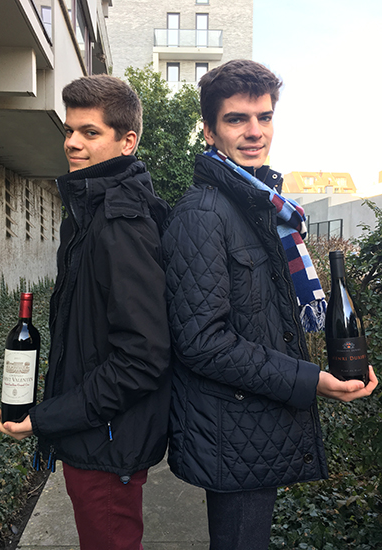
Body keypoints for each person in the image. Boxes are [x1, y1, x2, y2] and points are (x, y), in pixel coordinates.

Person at [161, 59, 378, 550]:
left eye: (264, 116)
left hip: (255, 422)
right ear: (209, 131)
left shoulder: (262, 207)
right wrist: (310, 380)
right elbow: (201, 342)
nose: (255, 131)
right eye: (236, 119)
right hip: (233, 431)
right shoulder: (203, 213)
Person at [0, 74, 172, 550]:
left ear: (127, 141)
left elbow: (143, 357)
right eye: (69, 130)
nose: (72, 142)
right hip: (93, 435)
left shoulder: (121, 224)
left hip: (108, 444)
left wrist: (47, 419)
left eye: (90, 132)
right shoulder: (88, 215)